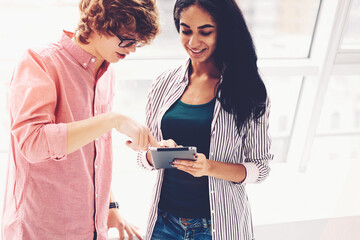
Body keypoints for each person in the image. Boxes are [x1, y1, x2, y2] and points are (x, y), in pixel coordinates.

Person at [1, 0, 159, 239]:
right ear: (100, 24)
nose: (132, 49)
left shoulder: (107, 71)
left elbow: (96, 153)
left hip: (92, 229)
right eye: (127, 39)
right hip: (42, 230)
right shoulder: (39, 61)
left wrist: (110, 205)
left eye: (137, 42)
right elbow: (32, 143)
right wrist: (111, 120)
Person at [137, 0, 273, 239]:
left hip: (216, 227)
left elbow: (261, 168)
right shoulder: (163, 83)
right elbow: (143, 157)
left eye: (205, 31)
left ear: (224, 30)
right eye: (186, 30)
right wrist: (154, 154)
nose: (193, 42)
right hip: (164, 225)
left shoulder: (248, 89)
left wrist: (209, 167)